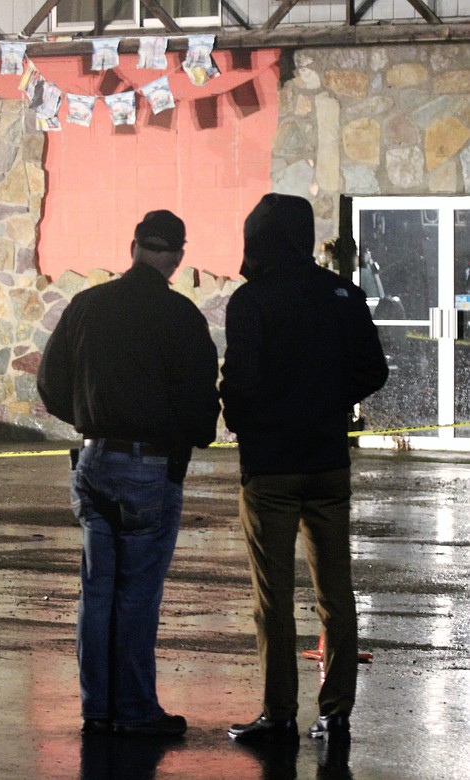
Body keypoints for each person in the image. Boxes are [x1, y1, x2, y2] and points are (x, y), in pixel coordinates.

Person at [37, 210, 221, 738]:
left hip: (93, 459)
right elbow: (199, 401)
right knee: (138, 594)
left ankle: (97, 708)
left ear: (133, 246)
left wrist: (93, 421)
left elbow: (50, 384)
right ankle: (136, 710)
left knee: (97, 591)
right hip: (150, 467)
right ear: (177, 257)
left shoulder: (87, 305)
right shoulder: (181, 317)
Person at [220, 194, 388, 745]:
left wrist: (249, 419)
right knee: (336, 593)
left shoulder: (251, 302)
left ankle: (279, 712)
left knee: (273, 598)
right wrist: (329, 403)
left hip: (270, 465)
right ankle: (336, 711)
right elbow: (373, 370)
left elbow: (240, 381)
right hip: (327, 461)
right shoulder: (344, 296)